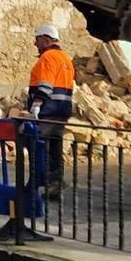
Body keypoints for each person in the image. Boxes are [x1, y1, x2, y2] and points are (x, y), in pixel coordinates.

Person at [26, 22, 75, 199]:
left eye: (37, 39)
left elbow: (46, 84)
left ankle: (38, 183)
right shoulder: (66, 59)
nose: (35, 44)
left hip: (48, 110)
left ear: (46, 40)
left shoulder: (48, 58)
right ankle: (56, 183)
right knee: (55, 148)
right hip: (62, 112)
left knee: (38, 146)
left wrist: (37, 103)